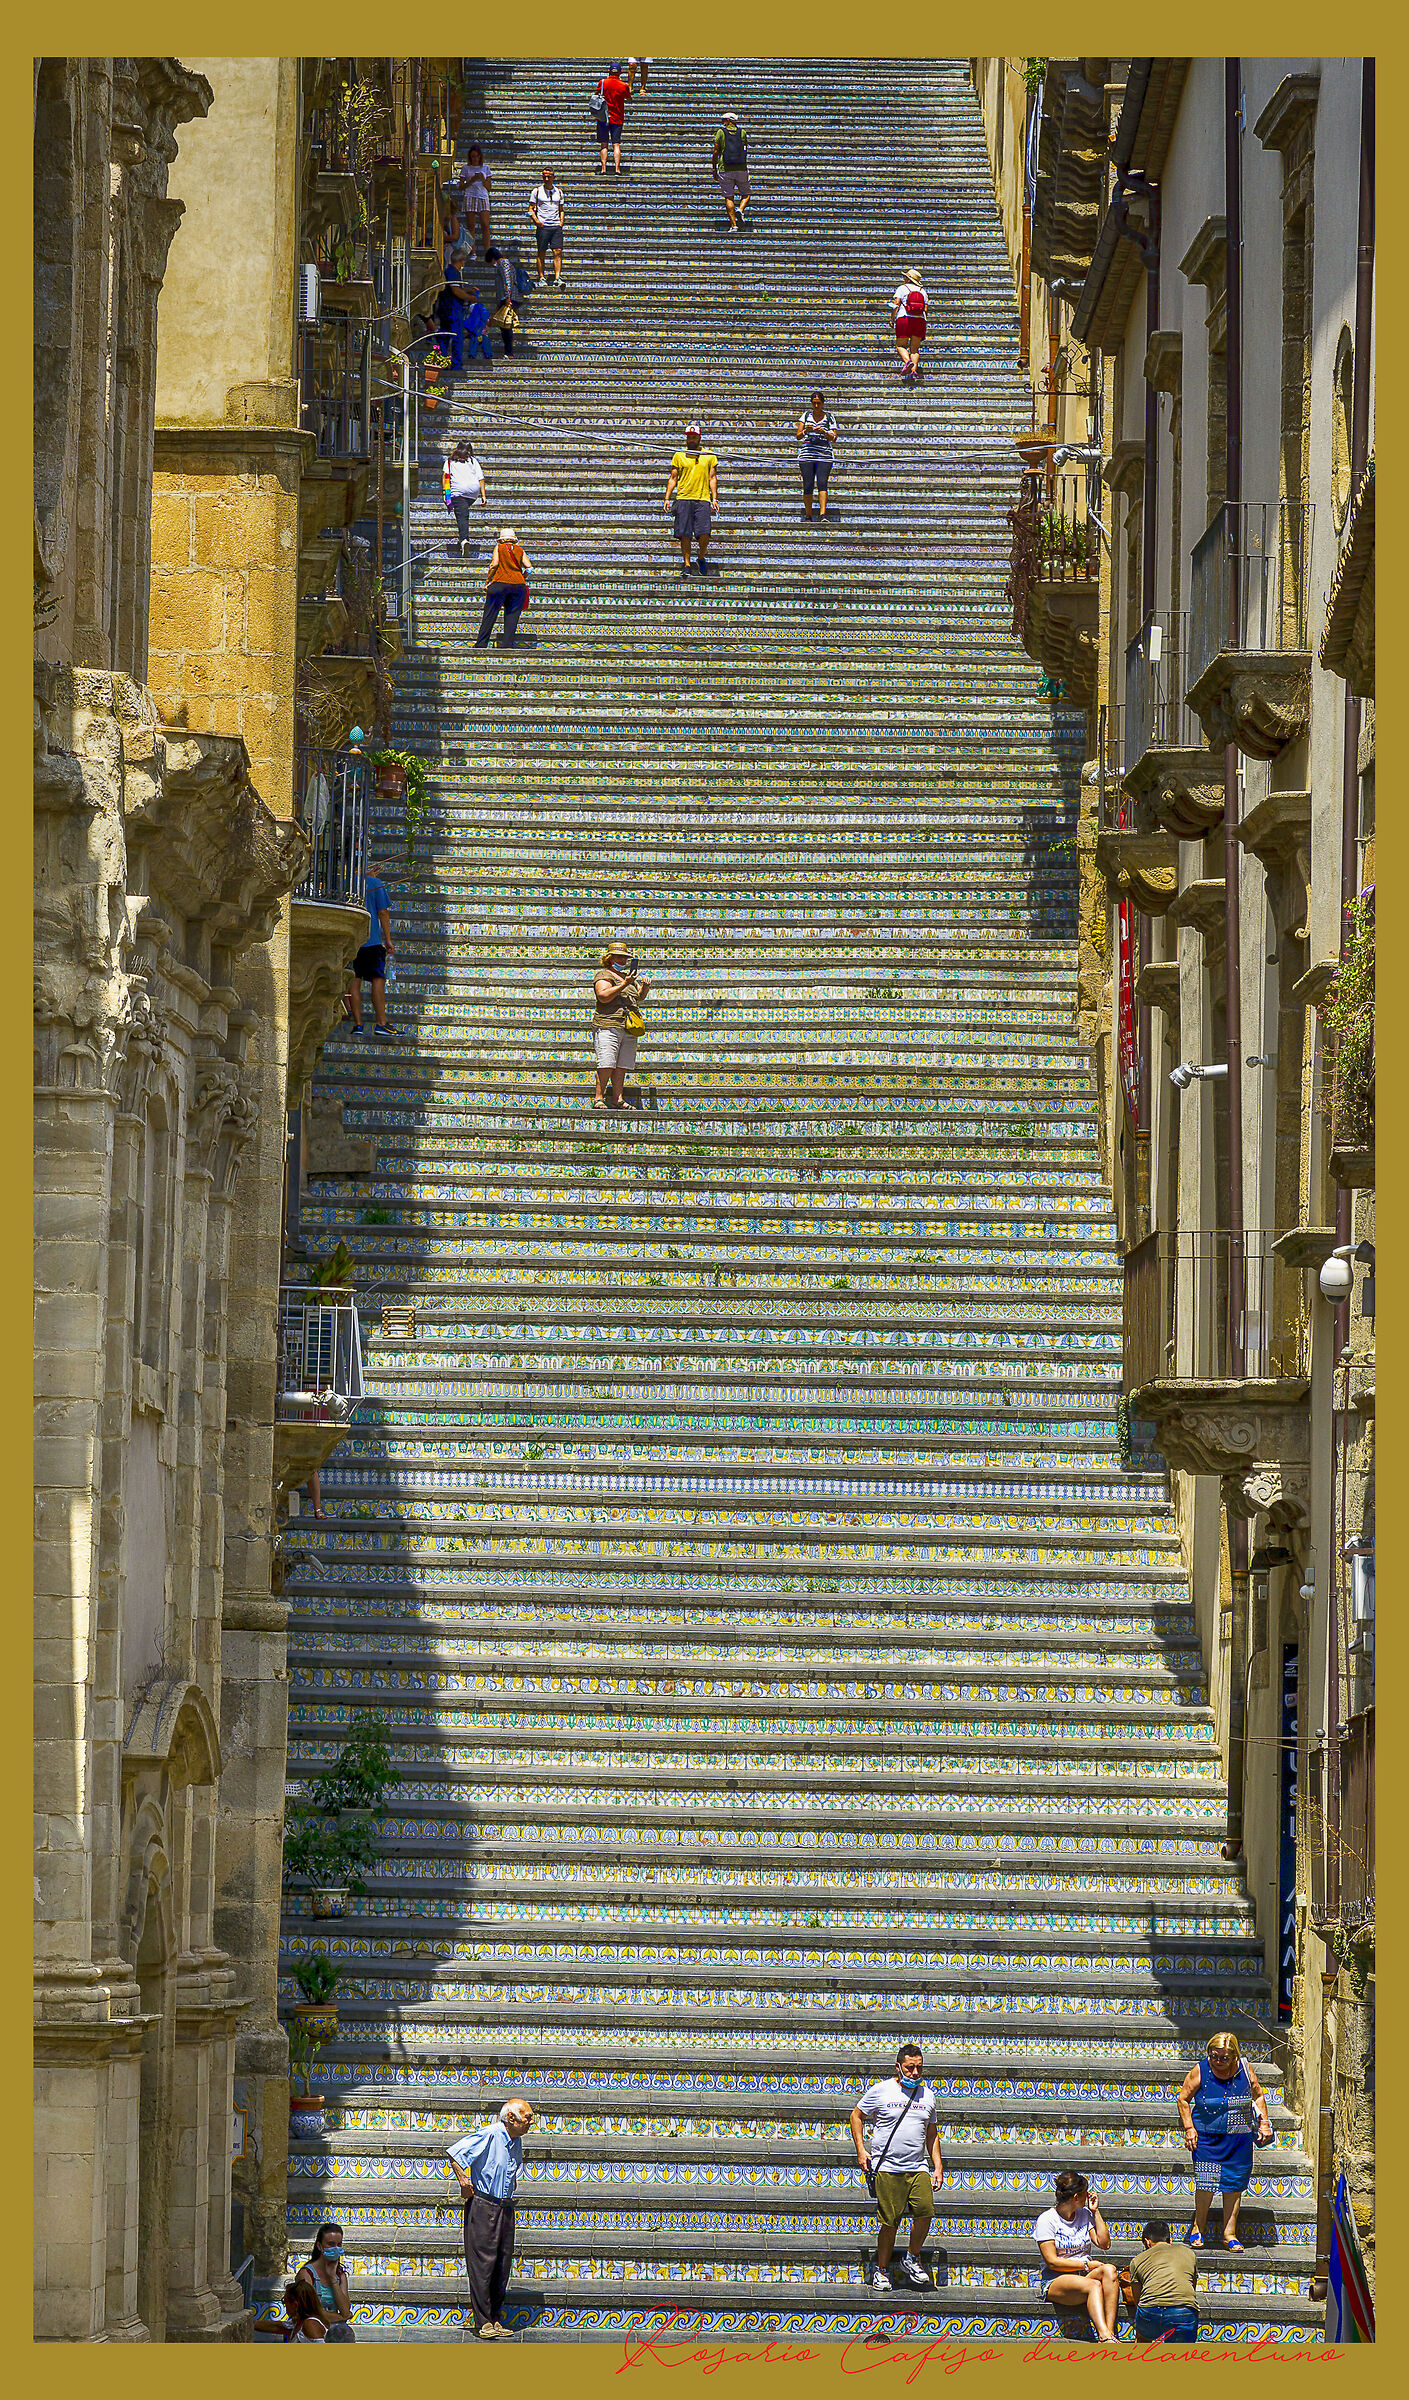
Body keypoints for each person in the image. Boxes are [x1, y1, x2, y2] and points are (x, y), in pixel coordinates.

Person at [848, 2041, 945, 2292]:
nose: (915, 2073)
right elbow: (856, 2115)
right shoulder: (882, 2091)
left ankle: (911, 2258)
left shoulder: (928, 2095)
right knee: (890, 2221)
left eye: (919, 2068)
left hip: (917, 2166)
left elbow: (931, 2134)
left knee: (925, 2211)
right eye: (910, 2068)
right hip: (887, 2166)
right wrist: (861, 2150)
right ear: (898, 2067)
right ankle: (881, 2270)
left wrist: (938, 2167)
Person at [1176, 2031, 1274, 2250]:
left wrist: (1265, 2122)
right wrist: (1189, 2128)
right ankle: (1197, 2228)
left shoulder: (1245, 2069)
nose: (1218, 2061)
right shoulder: (1201, 2070)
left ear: (1235, 2056)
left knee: (1234, 2183)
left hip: (1239, 2139)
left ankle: (1229, 2233)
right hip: (1208, 2138)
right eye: (1214, 2056)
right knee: (1206, 2182)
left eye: (1224, 2058)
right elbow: (1183, 2099)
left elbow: (1258, 2095)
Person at [447, 2097, 535, 2340]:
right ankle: (483, 2321)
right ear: (511, 2118)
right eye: (526, 2117)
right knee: (483, 2264)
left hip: (504, 2206)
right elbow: (455, 2154)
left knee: (501, 2264)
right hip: (484, 2204)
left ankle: (495, 2318)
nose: (531, 2121)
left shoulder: (515, 2141)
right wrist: (464, 2181)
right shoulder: (491, 2134)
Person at [1033, 2169, 1120, 2343]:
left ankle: (1109, 2333)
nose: (1088, 2196)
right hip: (1057, 2280)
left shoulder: (1084, 2215)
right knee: (1094, 2285)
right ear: (1075, 2197)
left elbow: (1104, 2244)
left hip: (1083, 2275)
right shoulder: (1047, 2220)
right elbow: (1052, 2262)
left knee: (1110, 2270)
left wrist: (1095, 2212)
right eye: (1085, 2194)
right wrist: (1086, 2265)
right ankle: (1103, 2335)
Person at [1120, 2220, 1200, 2345]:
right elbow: (1192, 2286)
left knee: (1142, 2339)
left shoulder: (1137, 2260)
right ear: (1170, 2240)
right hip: (1184, 2313)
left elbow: (1138, 2299)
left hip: (1150, 2312)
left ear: (1147, 2242)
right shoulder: (1189, 2253)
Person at [593, 938, 650, 1109]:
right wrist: (624, 984)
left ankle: (617, 1098)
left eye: (624, 958)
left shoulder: (627, 977)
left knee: (621, 1065)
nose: (622, 961)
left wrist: (644, 988)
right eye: (618, 957)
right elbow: (603, 996)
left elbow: (637, 997)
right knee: (606, 1062)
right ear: (610, 959)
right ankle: (598, 1098)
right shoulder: (604, 975)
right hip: (608, 1024)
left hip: (628, 1026)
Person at [664, 424, 719, 578]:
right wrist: (667, 498)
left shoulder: (709, 455)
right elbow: (673, 477)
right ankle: (687, 564)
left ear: (699, 438)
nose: (691, 440)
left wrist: (714, 498)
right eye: (689, 437)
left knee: (704, 533)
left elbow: (712, 477)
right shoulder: (679, 455)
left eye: (694, 437)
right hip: (683, 498)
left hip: (702, 498)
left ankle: (700, 557)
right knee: (685, 534)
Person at [346, 865, 394, 1034]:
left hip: (351, 940)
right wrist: (388, 939)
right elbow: (383, 913)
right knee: (377, 980)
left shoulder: (346, 883)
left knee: (354, 981)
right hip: (372, 940)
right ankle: (381, 1023)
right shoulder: (375, 883)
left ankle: (358, 1024)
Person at [292, 2222, 356, 2340]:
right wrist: (341, 2317)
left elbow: (345, 2310)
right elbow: (311, 2313)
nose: (336, 2248)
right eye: (331, 2244)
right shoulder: (306, 2275)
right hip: (312, 2328)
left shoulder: (339, 2275)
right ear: (320, 2246)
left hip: (334, 2329)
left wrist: (332, 2278)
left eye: (339, 2244)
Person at [475, 527, 532, 649]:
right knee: (512, 616)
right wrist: (522, 577)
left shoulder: (499, 548)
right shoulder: (520, 550)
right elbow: (529, 567)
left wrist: (488, 581)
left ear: (502, 540)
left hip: (499, 583)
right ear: (513, 539)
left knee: (490, 614)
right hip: (518, 586)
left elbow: (494, 564)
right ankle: (507, 644)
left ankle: (481, 643)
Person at [796, 391, 839, 522]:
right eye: (814, 403)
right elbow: (798, 436)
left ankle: (822, 514)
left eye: (818, 403)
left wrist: (824, 432)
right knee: (808, 484)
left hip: (824, 453)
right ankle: (808, 515)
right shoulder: (806, 415)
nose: (816, 406)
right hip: (807, 453)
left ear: (823, 403)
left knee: (822, 483)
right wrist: (806, 430)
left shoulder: (829, 417)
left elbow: (834, 438)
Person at [443, 439, 489, 554]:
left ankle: (464, 540)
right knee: (462, 512)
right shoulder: (473, 461)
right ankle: (461, 538)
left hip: (458, 491)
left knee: (462, 516)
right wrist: (483, 496)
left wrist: (445, 494)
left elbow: (446, 477)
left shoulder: (450, 461)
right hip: (473, 493)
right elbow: (481, 479)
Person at [712, 111, 751, 230]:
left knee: (729, 197)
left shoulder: (721, 132)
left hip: (725, 168)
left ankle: (734, 225)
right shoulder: (742, 132)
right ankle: (740, 209)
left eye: (723, 120)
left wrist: (714, 168)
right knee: (746, 194)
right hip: (741, 167)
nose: (722, 122)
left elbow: (716, 151)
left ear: (728, 121)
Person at [529, 167, 566, 288]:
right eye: (544, 176)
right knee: (541, 252)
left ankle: (557, 277)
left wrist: (561, 222)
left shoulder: (559, 192)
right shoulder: (537, 191)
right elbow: (530, 208)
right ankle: (541, 277)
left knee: (558, 251)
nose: (546, 179)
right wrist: (537, 221)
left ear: (553, 177)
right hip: (543, 226)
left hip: (555, 226)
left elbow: (561, 209)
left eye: (549, 176)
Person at [891, 266, 928, 380]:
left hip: (904, 318)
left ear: (908, 279)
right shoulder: (923, 291)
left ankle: (907, 362)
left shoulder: (902, 288)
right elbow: (925, 309)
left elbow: (896, 304)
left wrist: (892, 318)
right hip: (920, 320)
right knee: (914, 349)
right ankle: (913, 372)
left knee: (900, 345)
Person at [594, 62, 630, 173]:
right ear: (620, 72)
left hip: (603, 117)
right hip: (617, 117)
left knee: (604, 144)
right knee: (616, 144)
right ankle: (617, 169)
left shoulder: (603, 82)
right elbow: (628, 98)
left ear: (609, 71)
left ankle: (603, 168)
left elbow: (596, 95)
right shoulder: (624, 86)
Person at [458, 144, 492, 257]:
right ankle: (473, 251)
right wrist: (471, 180)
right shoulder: (466, 168)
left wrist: (483, 179)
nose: (475, 158)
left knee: (485, 225)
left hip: (482, 196)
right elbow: (461, 186)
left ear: (480, 157)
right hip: (470, 196)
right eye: (473, 156)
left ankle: (488, 252)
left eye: (477, 156)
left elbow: (489, 187)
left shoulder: (486, 168)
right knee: (471, 226)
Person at [485, 246, 517, 356]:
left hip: (507, 299)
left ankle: (509, 353)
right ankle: (508, 352)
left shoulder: (504, 263)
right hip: (504, 299)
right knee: (504, 326)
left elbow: (507, 280)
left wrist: (508, 298)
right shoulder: (502, 264)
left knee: (506, 326)